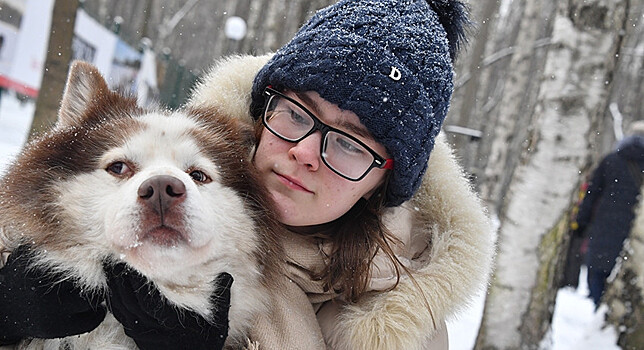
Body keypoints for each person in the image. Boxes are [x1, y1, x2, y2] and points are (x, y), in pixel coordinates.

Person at [1, 0, 496, 348]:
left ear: (380, 186)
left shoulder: (400, 325)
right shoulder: (184, 147)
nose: (304, 152)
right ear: (260, 117)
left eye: (348, 144)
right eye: (296, 115)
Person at [576, 121, 644, 308]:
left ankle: (598, 308)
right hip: (635, 233)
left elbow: (591, 194)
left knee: (597, 272)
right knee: (625, 278)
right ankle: (608, 316)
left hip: (605, 227)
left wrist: (581, 222)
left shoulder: (612, 160)